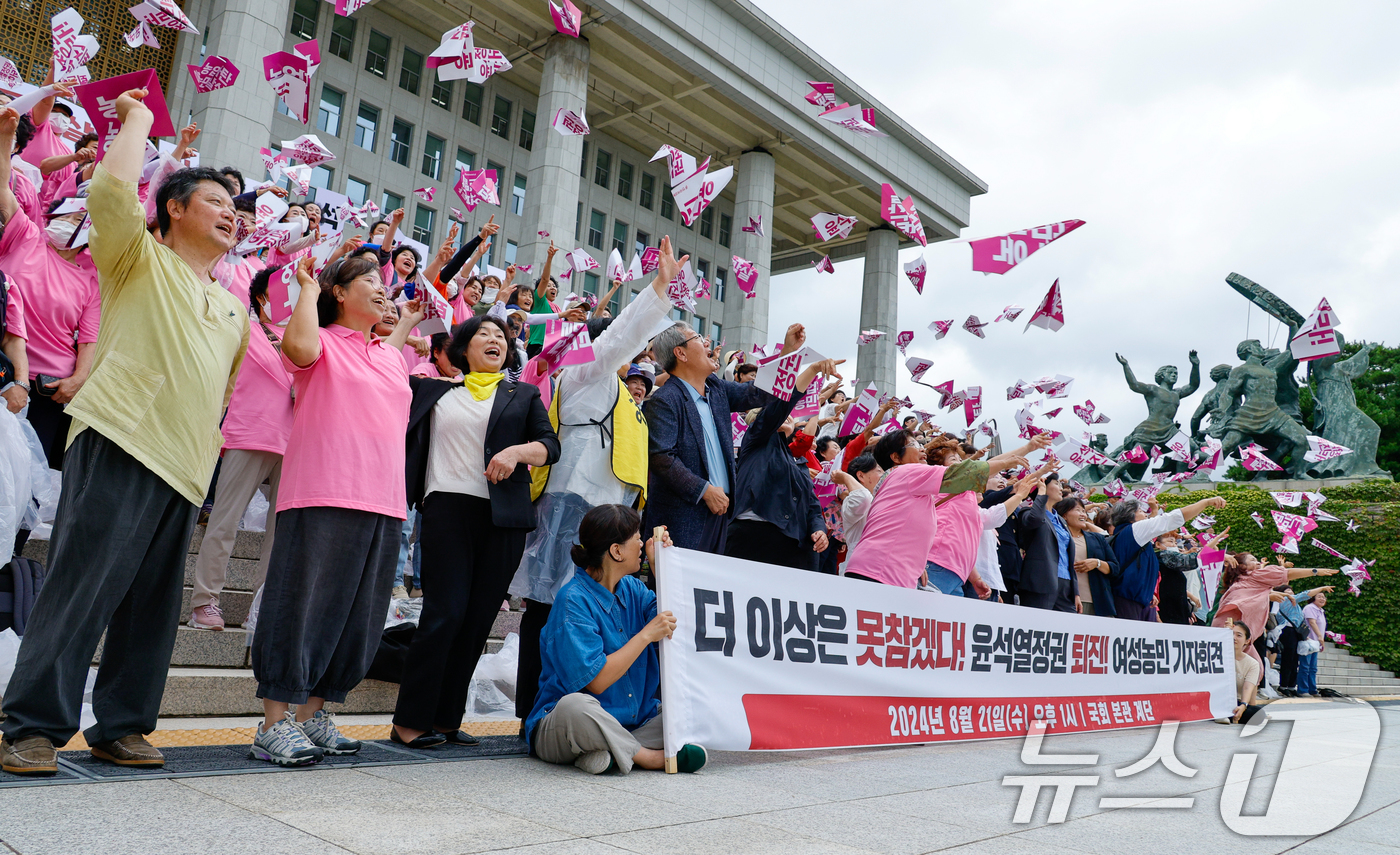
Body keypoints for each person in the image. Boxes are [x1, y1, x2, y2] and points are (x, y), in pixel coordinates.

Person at [0, 88, 249, 776]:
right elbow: (111, 188)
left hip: (185, 466)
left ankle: (125, 724)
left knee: (150, 608)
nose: (231, 213)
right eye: (215, 202)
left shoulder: (235, 309)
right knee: (83, 585)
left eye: (236, 209)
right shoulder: (135, 257)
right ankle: (32, 724)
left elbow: (222, 396)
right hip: (119, 438)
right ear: (172, 209)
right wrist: (138, 117)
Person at [248, 254, 417, 766]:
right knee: (300, 606)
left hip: (383, 500)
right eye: (370, 280)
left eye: (385, 283)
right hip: (322, 489)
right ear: (339, 293)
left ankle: (313, 715)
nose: (382, 289)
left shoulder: (390, 355)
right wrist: (305, 286)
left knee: (354, 616)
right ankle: (274, 722)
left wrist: (404, 320)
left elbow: (392, 340)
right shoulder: (321, 341)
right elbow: (297, 348)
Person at [510, 236, 683, 731]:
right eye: (627, 345)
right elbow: (616, 339)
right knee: (549, 608)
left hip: (605, 507)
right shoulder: (585, 369)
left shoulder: (621, 391)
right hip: (572, 502)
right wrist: (658, 290)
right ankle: (535, 712)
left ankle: (590, 706)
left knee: (580, 613)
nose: (634, 354)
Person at [392, 313, 560, 748]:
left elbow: (550, 446)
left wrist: (517, 451)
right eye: (482, 334)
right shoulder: (431, 391)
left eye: (501, 337)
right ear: (461, 350)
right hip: (447, 509)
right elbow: (385, 368)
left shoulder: (521, 395)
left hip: (503, 519)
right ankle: (410, 720)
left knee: (477, 620)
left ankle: (447, 719)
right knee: (443, 613)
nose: (494, 340)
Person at [526, 505, 706, 774]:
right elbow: (596, 682)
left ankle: (609, 752)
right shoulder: (572, 600)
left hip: (634, 723)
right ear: (616, 551)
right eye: (636, 537)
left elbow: (676, 622)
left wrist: (659, 567)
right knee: (576, 706)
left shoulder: (634, 588)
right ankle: (648, 757)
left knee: (696, 708)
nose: (640, 543)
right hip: (567, 724)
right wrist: (645, 636)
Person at [189, 266, 295, 630]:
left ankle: (263, 607)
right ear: (263, 297)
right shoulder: (243, 327)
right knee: (224, 521)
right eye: (285, 290)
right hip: (248, 434)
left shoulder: (306, 337)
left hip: (294, 441)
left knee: (280, 533)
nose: (292, 297)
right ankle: (205, 601)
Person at [643, 322, 803, 552]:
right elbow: (662, 459)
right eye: (697, 338)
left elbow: (759, 392)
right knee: (681, 586)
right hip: (685, 515)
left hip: (721, 510)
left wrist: (788, 352)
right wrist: (704, 491)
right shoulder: (665, 400)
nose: (707, 344)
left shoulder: (715, 388)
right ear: (680, 353)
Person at [0, 136, 100, 471]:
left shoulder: (90, 280)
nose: (65, 222)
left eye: (76, 220)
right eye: (62, 215)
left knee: (25, 483)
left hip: (47, 390)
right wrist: (3, 138)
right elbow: (2, 188)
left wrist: (78, 379)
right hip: (3, 369)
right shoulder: (25, 236)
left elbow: (89, 340)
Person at [843, 431, 1048, 587]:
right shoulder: (908, 472)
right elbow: (967, 472)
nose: (921, 447)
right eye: (913, 444)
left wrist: (1025, 449)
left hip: (890, 570)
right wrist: (1009, 462)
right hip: (882, 570)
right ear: (896, 457)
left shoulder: (904, 481)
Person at [724, 357, 844, 569]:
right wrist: (814, 368)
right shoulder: (757, 440)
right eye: (784, 416)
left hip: (792, 544)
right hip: (752, 538)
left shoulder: (798, 461)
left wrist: (818, 530)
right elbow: (780, 406)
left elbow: (813, 505)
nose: (789, 417)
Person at [1108, 494, 1228, 621]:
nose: (1146, 515)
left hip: (1140, 601)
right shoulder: (1133, 531)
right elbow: (1171, 519)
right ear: (1130, 517)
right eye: (1141, 511)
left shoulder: (1132, 537)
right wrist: (1205, 502)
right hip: (1129, 602)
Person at [1055, 497, 1119, 617]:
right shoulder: (1057, 539)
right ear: (1064, 515)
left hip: (1098, 602)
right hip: (1066, 601)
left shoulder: (1096, 538)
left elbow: (1115, 568)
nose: (1083, 514)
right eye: (1077, 510)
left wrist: (1097, 563)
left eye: (1084, 511)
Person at [831, 453, 881, 562]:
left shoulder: (882, 500)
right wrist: (845, 477)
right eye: (879, 471)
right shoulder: (851, 501)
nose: (884, 475)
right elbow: (863, 499)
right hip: (861, 564)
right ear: (861, 476)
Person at [1229, 621, 1265, 725]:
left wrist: (1243, 705)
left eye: (1239, 635)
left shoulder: (1252, 663)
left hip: (1237, 702)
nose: (1233, 638)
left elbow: (1247, 687)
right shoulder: (1217, 656)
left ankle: (1233, 715)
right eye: (1230, 634)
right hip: (1218, 701)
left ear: (1247, 640)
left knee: (1258, 713)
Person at [1298, 592, 1329, 697]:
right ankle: (1303, 690)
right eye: (1319, 596)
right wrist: (1320, 637)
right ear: (1313, 598)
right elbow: (1312, 622)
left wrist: (1320, 640)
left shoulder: (1320, 610)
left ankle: (1312, 689)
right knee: (1305, 667)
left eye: (1324, 597)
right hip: (1308, 642)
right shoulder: (1310, 608)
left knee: (1313, 668)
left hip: (1315, 643)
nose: (1322, 599)